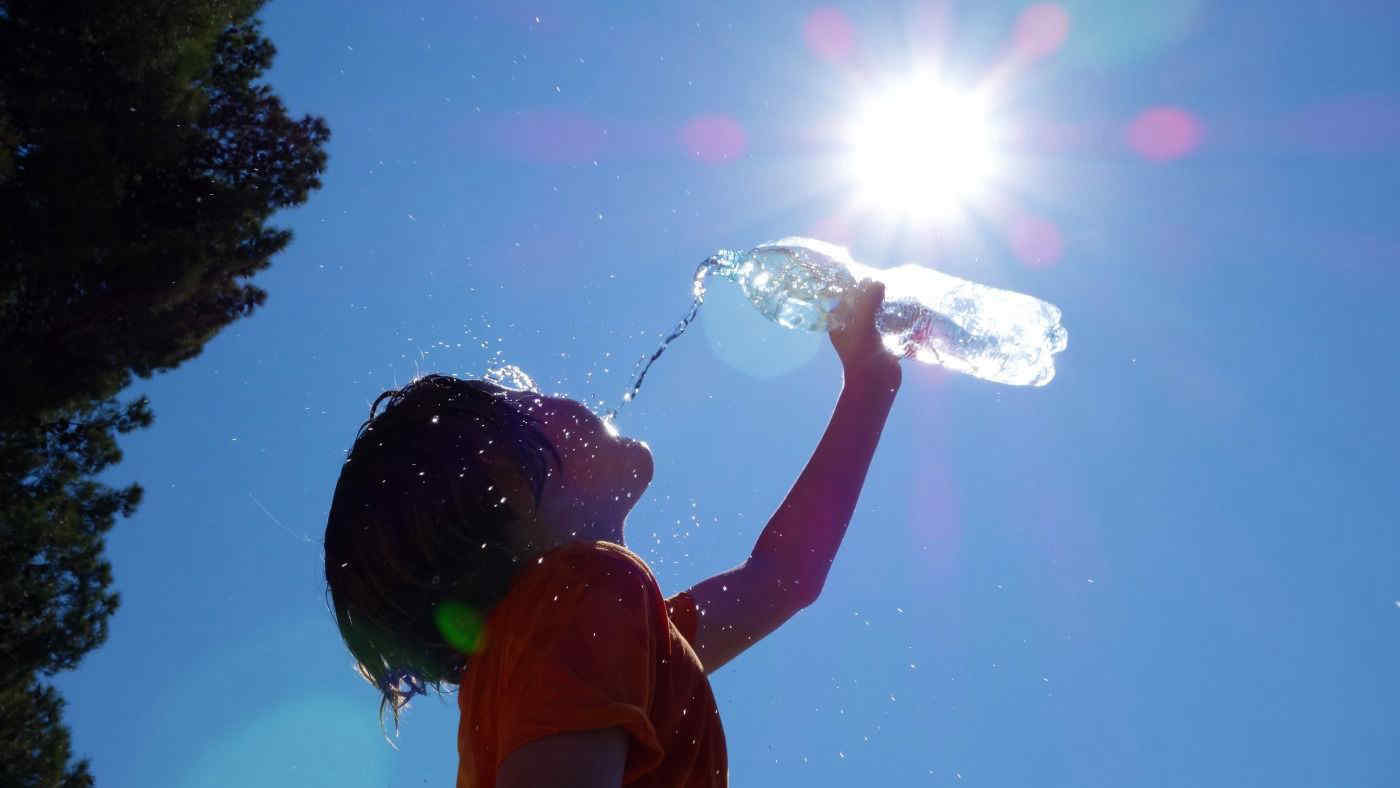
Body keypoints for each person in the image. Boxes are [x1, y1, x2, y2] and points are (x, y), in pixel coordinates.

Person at [324, 280, 902, 787]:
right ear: (507, 484)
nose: (557, 395)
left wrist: (870, 384)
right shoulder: (582, 594)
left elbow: (782, 578)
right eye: (525, 401)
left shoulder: (583, 639)